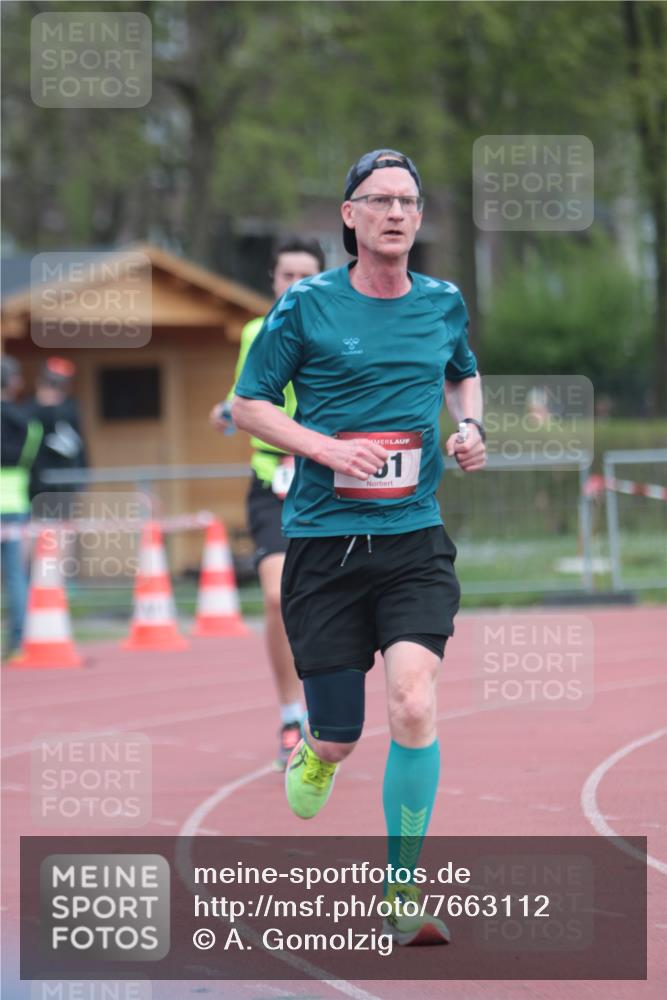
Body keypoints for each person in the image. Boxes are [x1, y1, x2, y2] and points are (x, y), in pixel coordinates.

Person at [232, 150, 486, 946]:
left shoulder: (442, 301)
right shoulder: (305, 306)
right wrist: (326, 449)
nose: (395, 213)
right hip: (323, 545)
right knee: (339, 736)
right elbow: (247, 406)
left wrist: (471, 425)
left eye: (408, 201)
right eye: (378, 200)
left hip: (411, 541)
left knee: (413, 701)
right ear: (349, 216)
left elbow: (463, 375)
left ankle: (401, 890)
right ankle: (317, 749)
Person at [210, 237, 326, 769]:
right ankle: (289, 715)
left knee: (335, 603)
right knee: (279, 598)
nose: (297, 285)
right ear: (273, 282)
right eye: (287, 276)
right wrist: (226, 409)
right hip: (271, 482)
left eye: (308, 275)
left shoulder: (340, 331)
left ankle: (331, 705)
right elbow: (248, 394)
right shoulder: (258, 332)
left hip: (331, 484)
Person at [0, 356, 43, 659]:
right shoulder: (29, 423)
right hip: (15, 503)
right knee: (16, 575)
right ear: (13, 383)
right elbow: (31, 462)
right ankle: (17, 643)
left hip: (14, 503)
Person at [24, 357, 88, 516]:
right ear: (39, 382)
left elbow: (79, 447)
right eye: (50, 384)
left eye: (60, 386)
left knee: (65, 532)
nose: (55, 391)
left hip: (65, 483)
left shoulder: (69, 409)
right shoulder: (27, 410)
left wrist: (82, 475)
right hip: (35, 485)